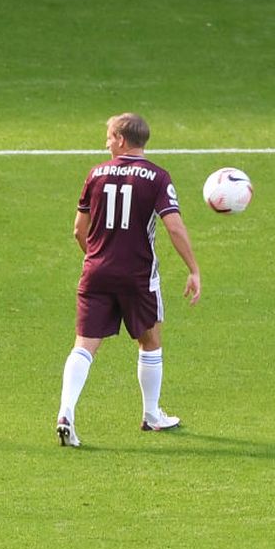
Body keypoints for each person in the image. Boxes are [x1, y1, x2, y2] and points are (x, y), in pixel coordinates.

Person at [56, 112, 201, 447]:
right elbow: (174, 226)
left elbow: (79, 230)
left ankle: (66, 412)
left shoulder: (95, 174)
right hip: (137, 276)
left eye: (108, 136)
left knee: (84, 346)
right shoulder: (157, 177)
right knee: (150, 342)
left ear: (122, 139)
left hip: (95, 271)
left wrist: (96, 259)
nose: (106, 142)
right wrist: (193, 268)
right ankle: (151, 415)